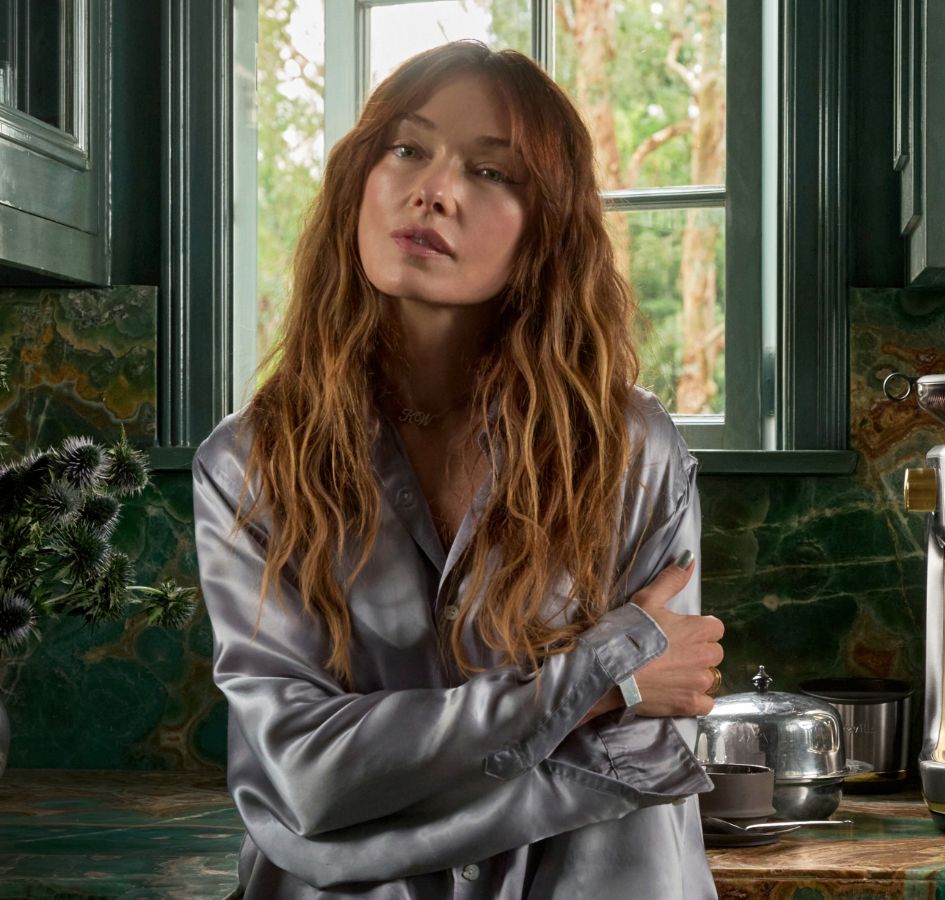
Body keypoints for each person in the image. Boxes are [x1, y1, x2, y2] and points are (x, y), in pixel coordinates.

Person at [192, 40, 725, 898]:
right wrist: (593, 682)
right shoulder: (248, 465)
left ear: (546, 228)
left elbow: (640, 757)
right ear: (360, 176)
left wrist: (385, 782)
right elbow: (305, 774)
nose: (433, 188)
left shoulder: (629, 450)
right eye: (407, 147)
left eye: (492, 171)